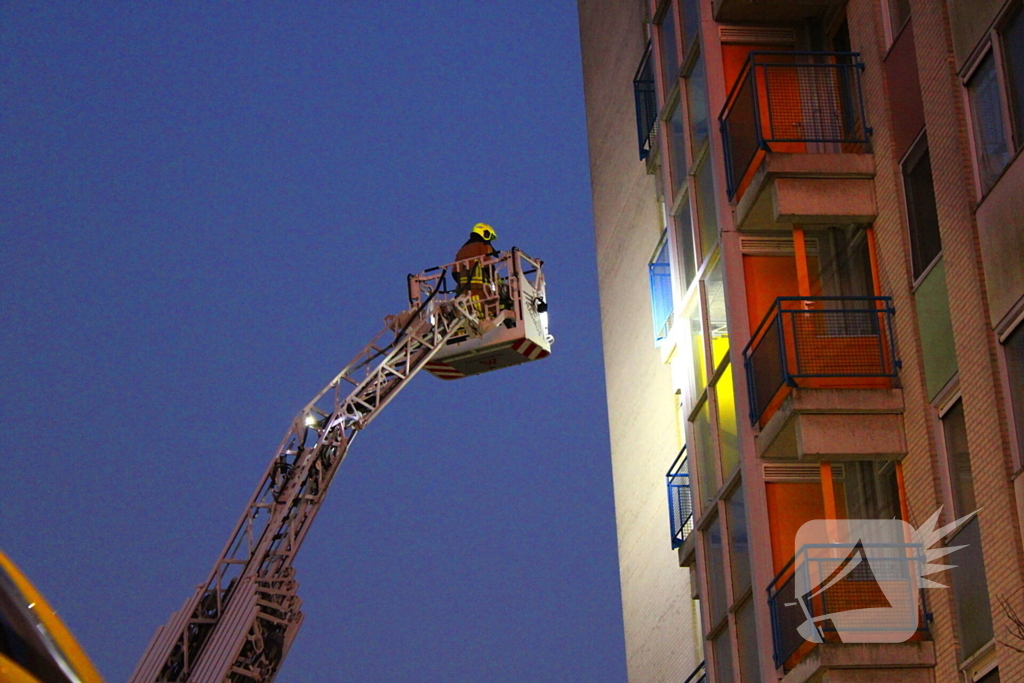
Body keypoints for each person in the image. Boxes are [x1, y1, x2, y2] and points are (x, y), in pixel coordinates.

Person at [454, 223, 499, 295]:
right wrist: (497, 281)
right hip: (481, 290)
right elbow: (487, 265)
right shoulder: (483, 246)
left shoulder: (461, 251)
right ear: (485, 234)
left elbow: (454, 272)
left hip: (465, 293)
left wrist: (464, 285)